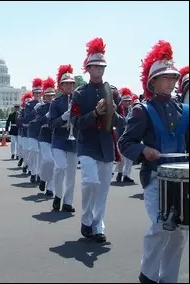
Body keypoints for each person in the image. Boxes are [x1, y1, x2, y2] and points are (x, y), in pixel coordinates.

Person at [118, 40, 189, 284]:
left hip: (182, 182)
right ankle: (148, 275)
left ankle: (168, 279)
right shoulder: (142, 110)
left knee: (180, 233)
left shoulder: (184, 111)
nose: (170, 81)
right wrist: (144, 149)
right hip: (155, 179)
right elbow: (125, 142)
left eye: (173, 77)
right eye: (165, 77)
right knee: (161, 225)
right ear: (153, 82)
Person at [70, 37, 124, 243]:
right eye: (95, 67)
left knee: (103, 189)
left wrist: (110, 110)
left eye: (102, 67)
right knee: (90, 181)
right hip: (87, 144)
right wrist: (94, 113)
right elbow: (75, 121)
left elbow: (121, 121)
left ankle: (98, 224)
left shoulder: (113, 92)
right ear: (88, 68)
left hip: (106, 145)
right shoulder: (79, 93)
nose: (99, 70)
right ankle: (86, 219)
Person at [48, 65, 78, 211]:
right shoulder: (56, 102)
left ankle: (68, 202)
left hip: (73, 141)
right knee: (60, 167)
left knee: (71, 174)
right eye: (66, 83)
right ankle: (58, 195)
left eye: (71, 83)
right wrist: (63, 118)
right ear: (61, 86)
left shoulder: (79, 101)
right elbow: (51, 123)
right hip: (59, 140)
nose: (69, 86)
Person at [35, 77, 56, 196]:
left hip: (56, 136)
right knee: (48, 160)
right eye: (48, 96)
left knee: (55, 163)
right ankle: (43, 177)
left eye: (52, 95)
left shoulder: (58, 105)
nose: (50, 98)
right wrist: (48, 114)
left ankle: (50, 187)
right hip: (44, 136)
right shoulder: (41, 108)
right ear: (44, 97)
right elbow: (39, 121)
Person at [24, 78, 44, 183]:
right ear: (33, 94)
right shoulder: (29, 105)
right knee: (34, 151)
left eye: (40, 93)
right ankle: (32, 171)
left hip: (42, 132)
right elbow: (26, 118)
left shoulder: (45, 103)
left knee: (41, 154)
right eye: (36, 93)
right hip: (32, 131)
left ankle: (40, 173)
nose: (38, 95)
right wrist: (35, 109)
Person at [114, 87, 135, 183]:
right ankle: (119, 173)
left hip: (129, 138)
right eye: (125, 101)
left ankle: (126, 175)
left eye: (129, 101)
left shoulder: (132, 111)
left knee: (129, 158)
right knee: (121, 158)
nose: (127, 103)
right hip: (120, 137)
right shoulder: (119, 110)